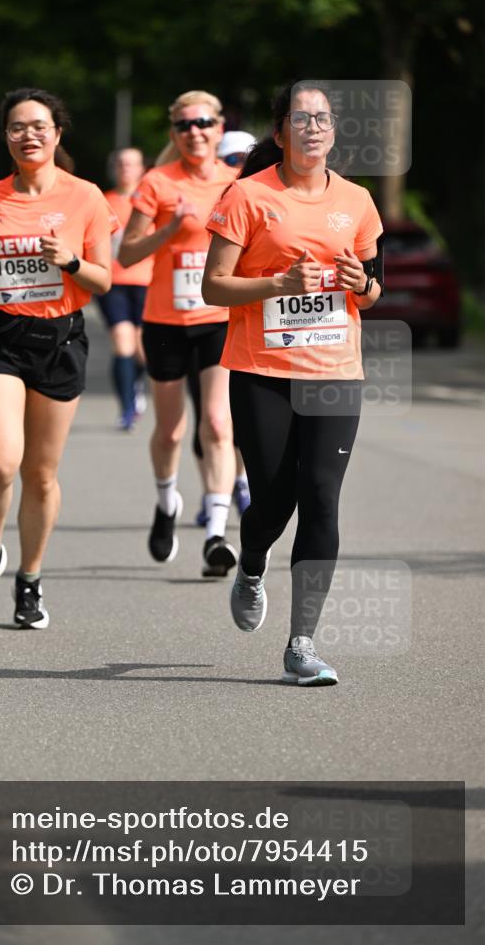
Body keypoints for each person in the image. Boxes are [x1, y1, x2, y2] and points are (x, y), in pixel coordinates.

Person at [203, 81, 383, 685]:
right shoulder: (246, 196)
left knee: (322, 495)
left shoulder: (357, 200)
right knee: (274, 500)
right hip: (262, 371)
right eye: (300, 118)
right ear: (279, 132)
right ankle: (252, 561)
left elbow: (373, 287)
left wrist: (363, 285)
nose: (312, 127)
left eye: (322, 118)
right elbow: (213, 288)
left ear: (333, 132)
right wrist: (279, 286)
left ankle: (302, 643)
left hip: (335, 370)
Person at [0, 87, 114, 629]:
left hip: (60, 341)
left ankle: (30, 578)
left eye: (38, 126)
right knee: (2, 461)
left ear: (57, 133)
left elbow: (103, 279)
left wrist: (70, 260)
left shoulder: (87, 197)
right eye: (17, 127)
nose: (29, 135)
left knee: (41, 475)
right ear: (6, 137)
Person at [119, 90, 238, 578]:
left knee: (217, 424)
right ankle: (167, 500)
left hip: (219, 319)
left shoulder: (238, 184)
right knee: (170, 431)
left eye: (204, 123)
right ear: (174, 133)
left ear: (218, 127)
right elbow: (126, 256)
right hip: (166, 320)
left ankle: (216, 533)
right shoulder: (156, 183)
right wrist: (169, 227)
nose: (195, 131)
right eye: (185, 125)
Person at [192, 130, 258, 526]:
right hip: (191, 316)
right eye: (229, 159)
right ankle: (212, 493)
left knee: (224, 419)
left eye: (242, 160)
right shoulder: (204, 192)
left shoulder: (258, 198)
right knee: (209, 420)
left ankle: (241, 482)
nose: (236, 167)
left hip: (234, 320)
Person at [97, 148, 152, 431]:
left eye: (132, 163)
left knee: (142, 349)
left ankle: (136, 383)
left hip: (148, 282)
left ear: (143, 168)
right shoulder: (103, 202)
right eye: (120, 163)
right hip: (114, 282)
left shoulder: (152, 201)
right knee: (122, 341)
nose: (126, 168)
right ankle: (127, 408)